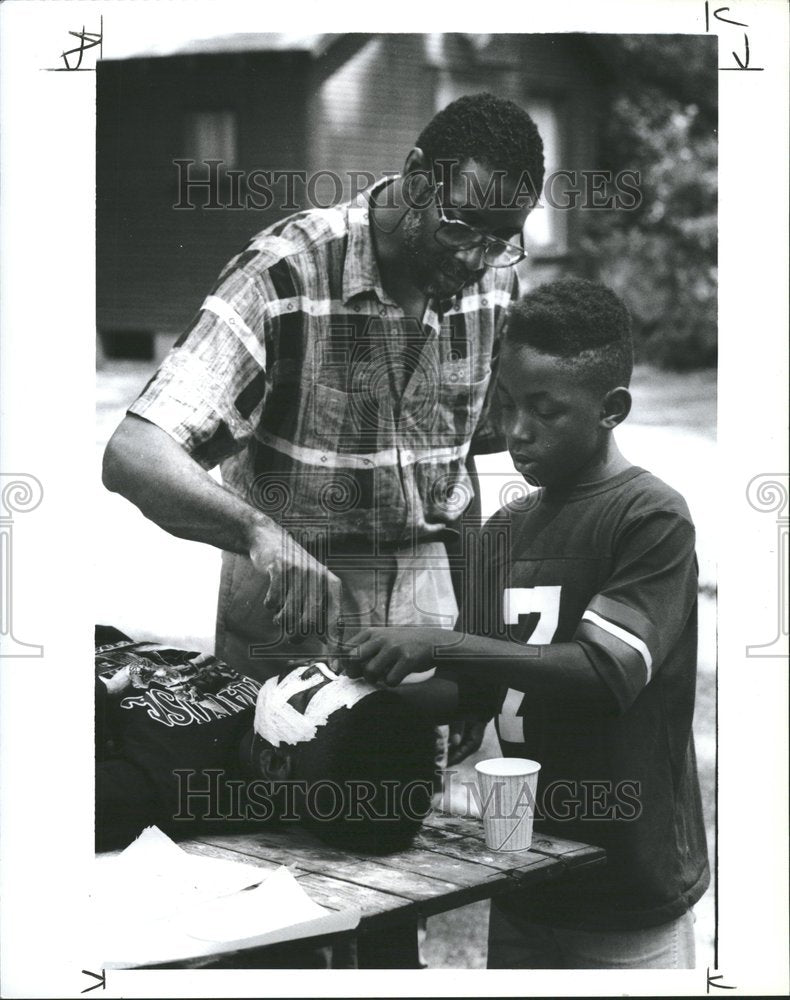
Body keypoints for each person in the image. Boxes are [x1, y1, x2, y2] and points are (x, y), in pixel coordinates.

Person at [100, 93, 546, 767]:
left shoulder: (491, 293)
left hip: (428, 616)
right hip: (293, 604)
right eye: (462, 228)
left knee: (420, 839)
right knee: (273, 827)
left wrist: (474, 660)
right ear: (418, 175)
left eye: (500, 241)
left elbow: (464, 479)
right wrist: (260, 534)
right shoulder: (286, 271)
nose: (475, 262)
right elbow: (134, 453)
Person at [343, 278, 711, 969]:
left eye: (545, 410)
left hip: (627, 891)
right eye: (507, 405)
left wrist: (440, 641)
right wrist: (365, 685)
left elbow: (606, 672)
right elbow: (472, 693)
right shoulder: (507, 527)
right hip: (523, 877)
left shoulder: (650, 517)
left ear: (612, 410)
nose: (516, 431)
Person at [95, 627, 435, 854]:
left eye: (313, 694)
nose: (331, 669)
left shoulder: (165, 785)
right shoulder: (266, 726)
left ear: (274, 765)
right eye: (346, 678)